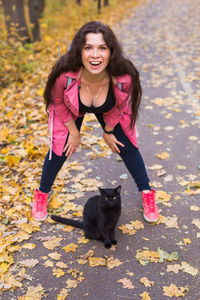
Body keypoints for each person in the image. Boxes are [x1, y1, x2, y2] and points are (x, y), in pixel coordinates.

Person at [32, 21, 159, 223]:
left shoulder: (124, 77)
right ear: (79, 51)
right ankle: (41, 194)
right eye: (88, 48)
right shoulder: (64, 75)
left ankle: (147, 192)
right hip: (71, 106)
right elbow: (56, 102)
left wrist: (108, 131)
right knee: (60, 148)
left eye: (102, 48)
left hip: (108, 107)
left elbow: (121, 106)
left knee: (126, 144)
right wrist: (74, 133)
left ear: (111, 52)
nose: (95, 55)